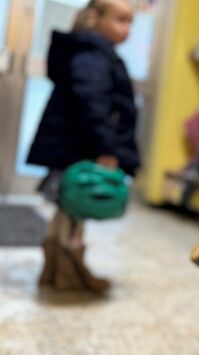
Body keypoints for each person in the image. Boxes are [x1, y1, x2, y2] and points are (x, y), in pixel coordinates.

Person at [27, 0, 137, 293]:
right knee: (76, 209)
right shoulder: (94, 55)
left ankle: (54, 270)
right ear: (94, 18)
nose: (127, 29)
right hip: (80, 146)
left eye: (130, 22)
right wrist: (106, 148)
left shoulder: (86, 50)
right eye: (120, 20)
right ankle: (69, 273)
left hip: (72, 143)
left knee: (67, 209)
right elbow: (92, 103)